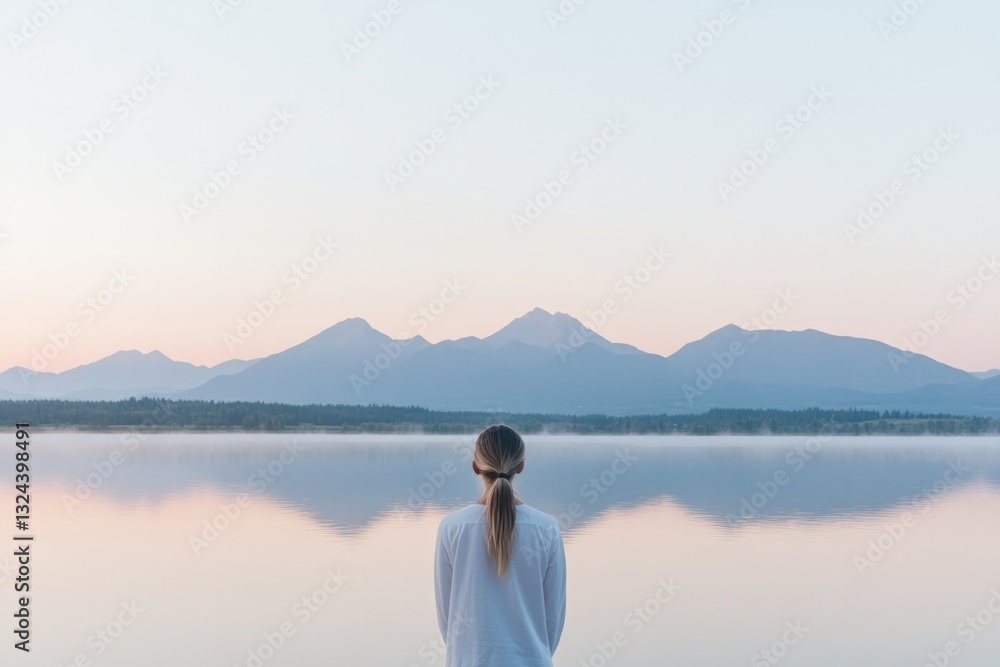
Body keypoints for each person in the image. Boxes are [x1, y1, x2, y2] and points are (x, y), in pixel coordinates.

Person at [434, 424, 567, 667]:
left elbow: (447, 619)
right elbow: (553, 619)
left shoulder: (452, 527)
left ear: (475, 467)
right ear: (521, 466)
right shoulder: (547, 528)